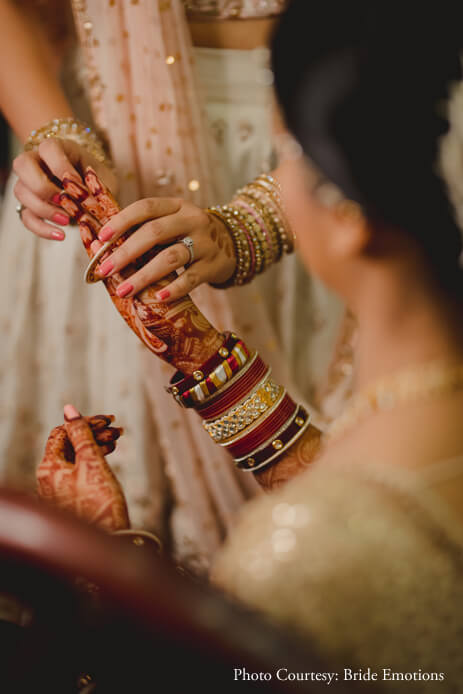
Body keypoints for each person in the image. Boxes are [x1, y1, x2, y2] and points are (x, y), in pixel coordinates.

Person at [37, 0, 463, 684]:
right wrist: (200, 356)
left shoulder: (295, 558)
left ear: (350, 211)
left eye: (285, 154)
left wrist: (104, 569)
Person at [0, 0, 345, 573]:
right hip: (106, 169)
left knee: (328, 563)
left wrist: (248, 227)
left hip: (332, 144)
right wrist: (55, 133)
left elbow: (395, 43)